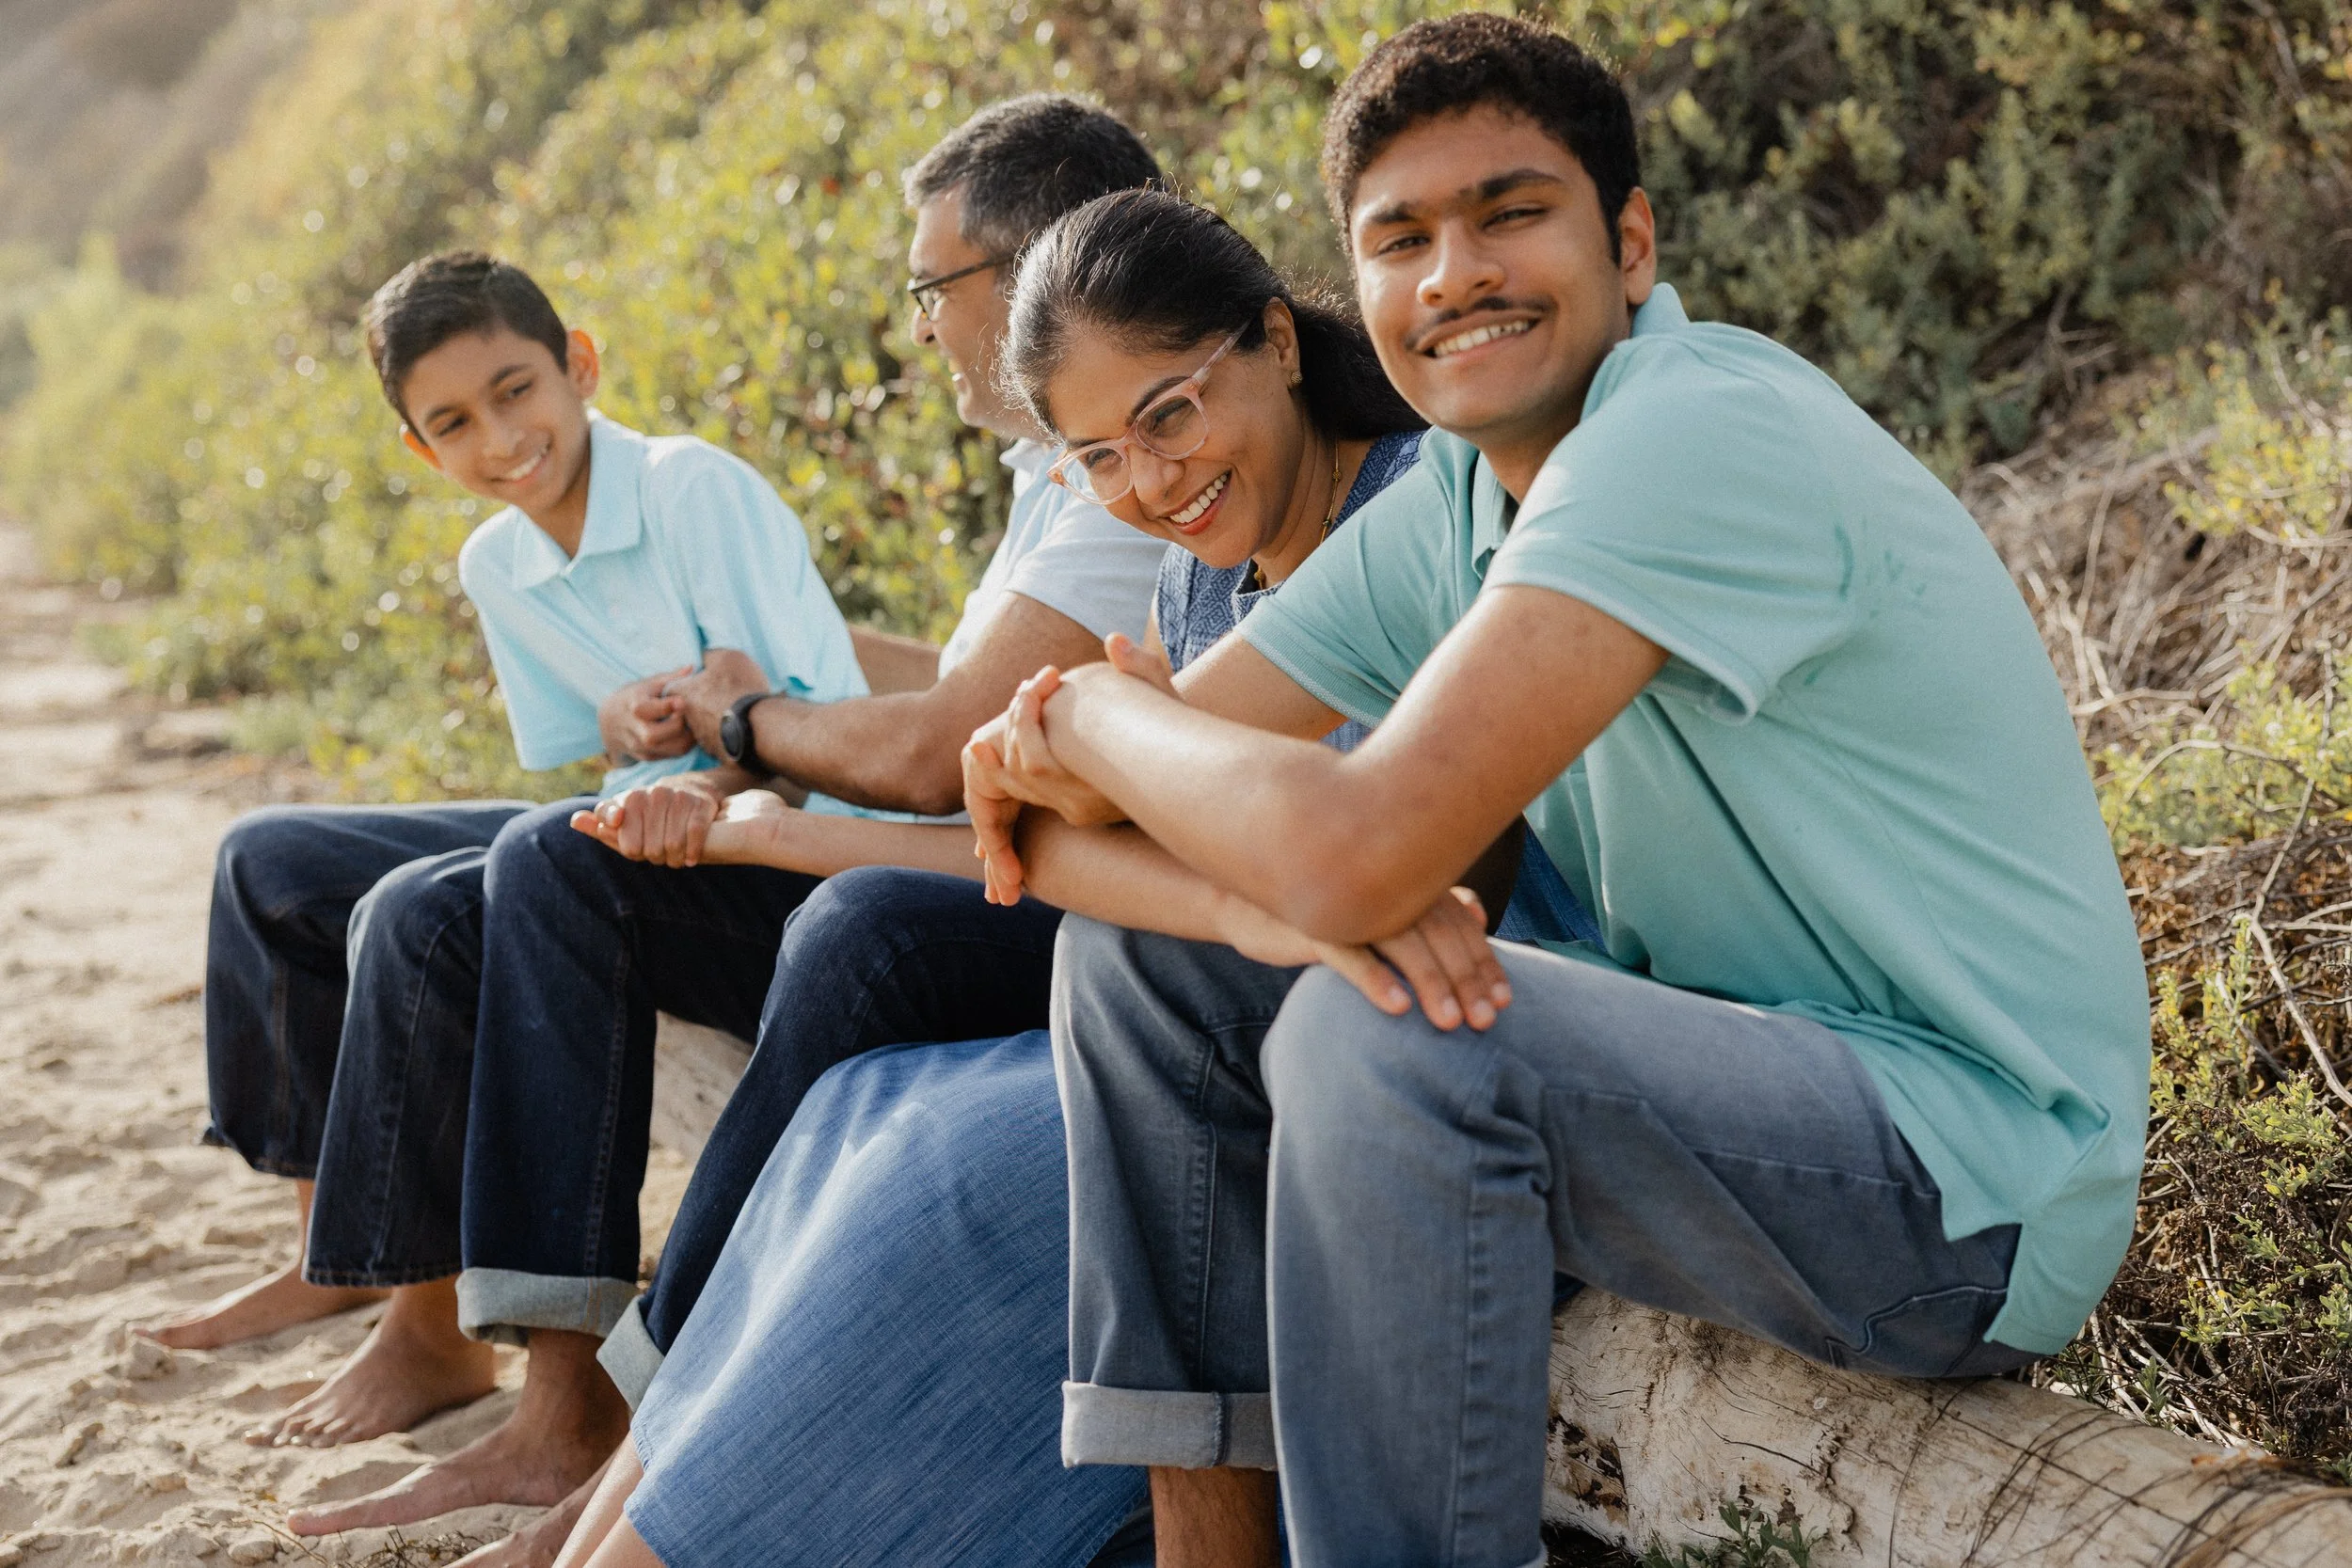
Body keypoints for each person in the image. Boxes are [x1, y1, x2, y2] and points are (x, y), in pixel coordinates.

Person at [965, 16, 2153, 1567]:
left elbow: (1346, 847)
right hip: (1739, 1099)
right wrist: (1242, 912)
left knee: (1383, 1031)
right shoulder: (1461, 497)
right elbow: (1046, 838)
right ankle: (1217, 1535)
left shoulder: (1687, 433)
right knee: (1150, 957)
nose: (1454, 272)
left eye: (1508, 213)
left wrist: (1108, 720)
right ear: (1362, 294)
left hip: (1970, 1179)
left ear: (1632, 242)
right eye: (1403, 239)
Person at [537, 188, 1591, 1568]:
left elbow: (1353, 857)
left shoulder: (1415, 507)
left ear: (1276, 340)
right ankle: (622, 1523)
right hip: (1211, 1005)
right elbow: (1054, 846)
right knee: (868, 1103)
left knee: (961, 1179)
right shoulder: (1195, 580)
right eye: (1099, 456)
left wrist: (1140, 824)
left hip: (1432, 1019)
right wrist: (1160, 850)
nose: (1151, 482)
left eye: (1170, 415)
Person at [286, 94, 1173, 1553]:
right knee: (473, 886)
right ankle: (518, 1363)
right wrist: (747, 692)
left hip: (1000, 877)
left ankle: (619, 1404)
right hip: (920, 819)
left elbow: (930, 749)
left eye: (927, 291)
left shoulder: (1131, 473)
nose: (919, 331)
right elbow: (949, 690)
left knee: (705, 895)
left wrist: (747, 729)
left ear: (1029, 279)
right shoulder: (1052, 475)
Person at [160, 251, 871, 1454]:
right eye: (452, 422)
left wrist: (700, 770)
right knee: (268, 862)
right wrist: (619, 732)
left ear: (578, 366)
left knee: (417, 911)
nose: (501, 438)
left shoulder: (691, 492)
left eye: (516, 390)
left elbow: (800, 742)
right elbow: (585, 761)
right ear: (417, 450)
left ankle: (438, 1330)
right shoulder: (497, 560)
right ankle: (335, 1249)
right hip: (617, 838)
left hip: (781, 847)